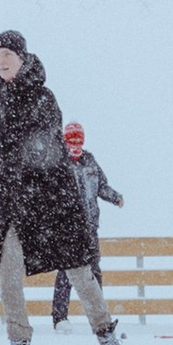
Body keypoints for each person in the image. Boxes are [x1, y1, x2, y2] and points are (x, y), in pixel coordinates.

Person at [0, 32, 128, 345]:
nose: (1, 61)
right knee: (9, 274)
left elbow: (36, 152)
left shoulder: (43, 97)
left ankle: (106, 336)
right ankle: (19, 344)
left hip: (53, 196)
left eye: (7, 53)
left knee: (80, 272)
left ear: (23, 57)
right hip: (15, 200)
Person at [50, 121, 124, 326]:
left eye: (78, 139)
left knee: (93, 271)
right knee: (66, 273)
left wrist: (115, 197)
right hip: (68, 229)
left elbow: (101, 186)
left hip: (90, 227)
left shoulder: (90, 161)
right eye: (71, 140)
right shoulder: (59, 162)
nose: (75, 143)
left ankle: (99, 317)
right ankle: (60, 317)